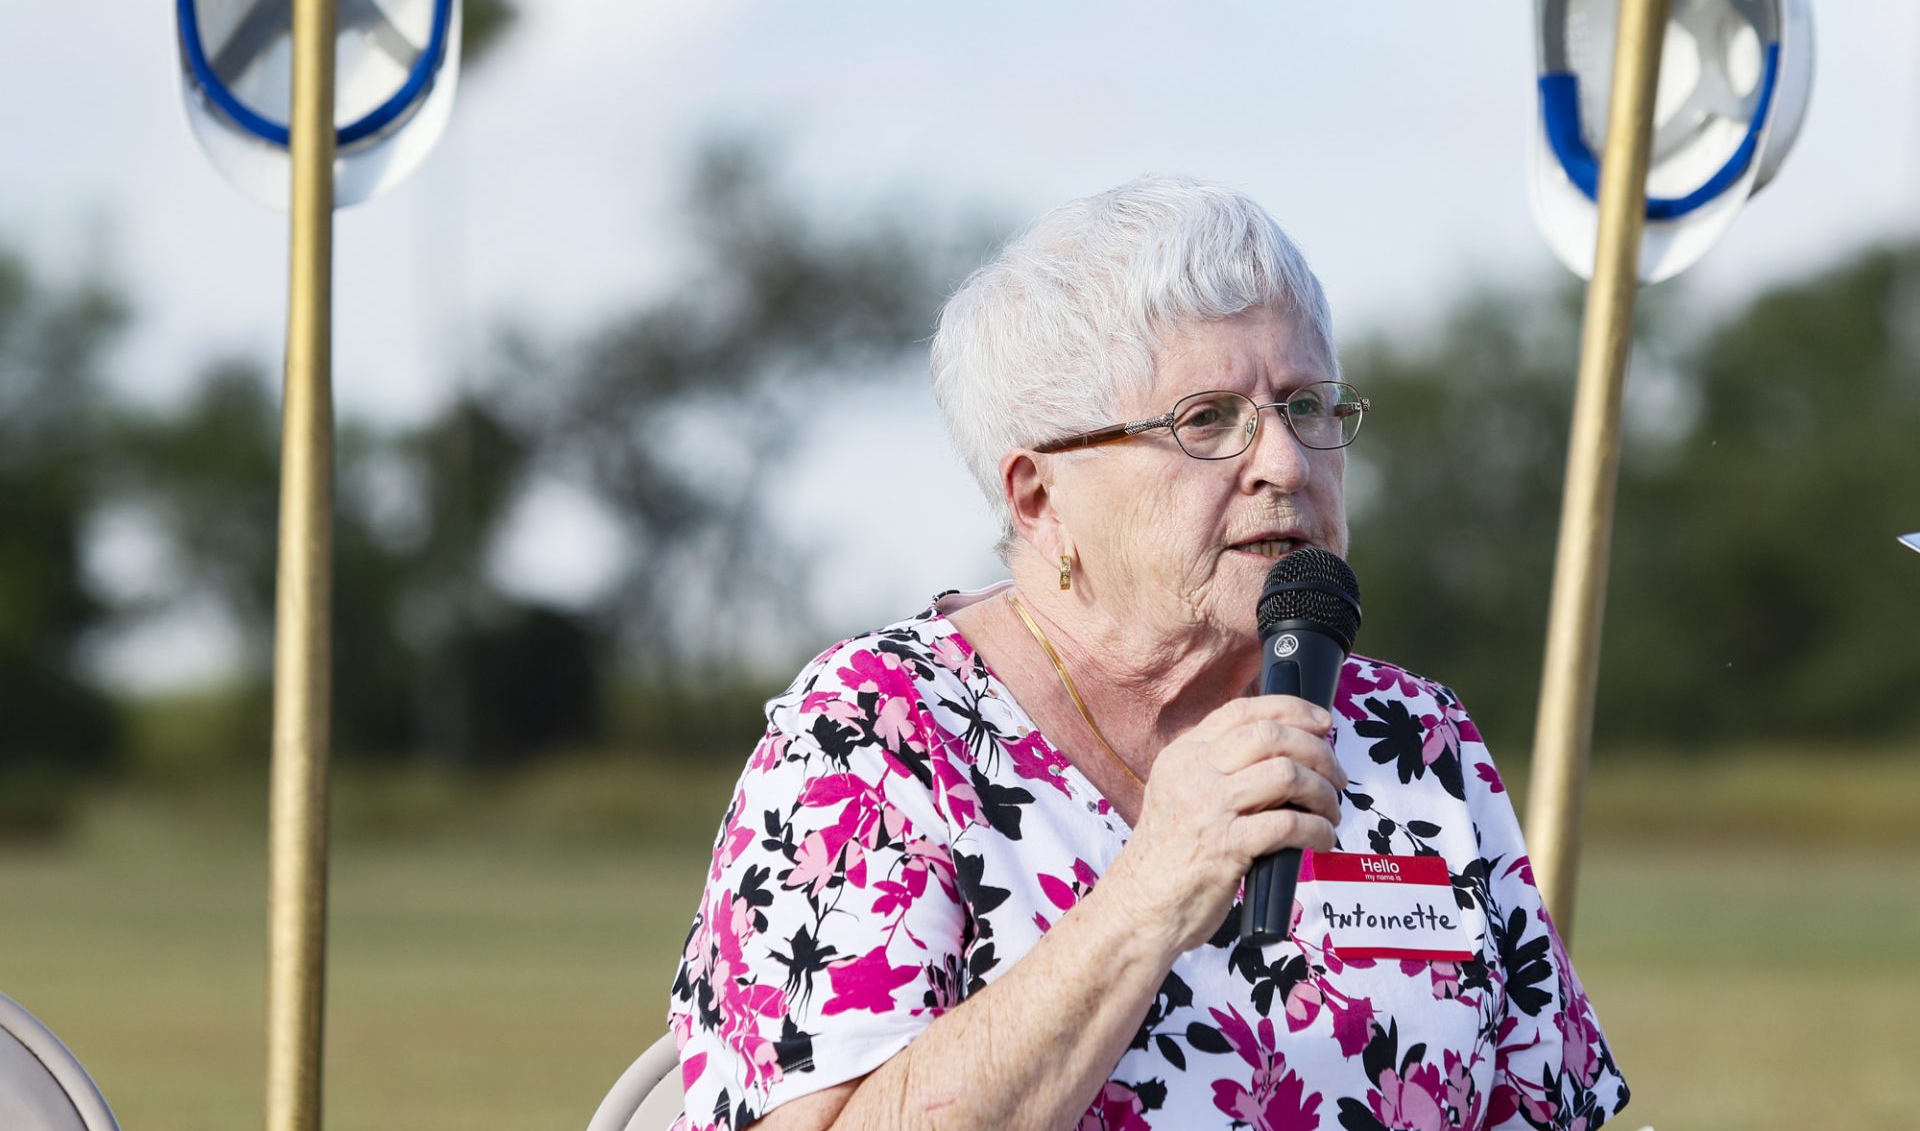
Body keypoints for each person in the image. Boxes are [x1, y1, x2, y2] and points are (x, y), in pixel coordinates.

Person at [667, 177, 1629, 1131]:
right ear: (1040, 499)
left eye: (1306, 407)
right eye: (1206, 420)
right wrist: (1153, 885)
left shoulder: (1412, 739)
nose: (1285, 464)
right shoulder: (876, 738)